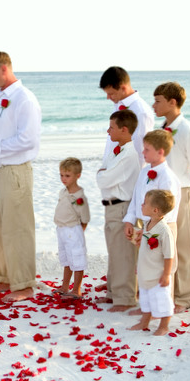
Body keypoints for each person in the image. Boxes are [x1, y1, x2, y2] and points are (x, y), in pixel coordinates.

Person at [0, 51, 42, 302]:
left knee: (18, 229)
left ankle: (24, 284)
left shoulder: (25, 99)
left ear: (4, 69)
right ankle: (4, 278)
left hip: (14, 172)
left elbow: (28, 139)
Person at [152, 81, 190, 313]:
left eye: (158, 101)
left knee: (184, 245)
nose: (154, 105)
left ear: (172, 103)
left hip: (182, 191)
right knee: (167, 244)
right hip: (163, 192)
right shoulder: (163, 128)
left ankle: (185, 296)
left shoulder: (186, 130)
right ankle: (170, 291)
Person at [96, 109, 142, 312]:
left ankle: (125, 299)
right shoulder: (117, 151)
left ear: (124, 130)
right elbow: (103, 176)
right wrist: (103, 174)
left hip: (121, 206)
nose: (108, 131)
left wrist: (103, 174)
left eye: (112, 127)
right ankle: (114, 293)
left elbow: (103, 179)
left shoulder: (129, 155)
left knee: (123, 254)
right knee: (114, 252)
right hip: (112, 207)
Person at [129, 189, 177, 336]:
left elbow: (169, 255)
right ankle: (145, 321)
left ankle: (164, 325)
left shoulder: (164, 231)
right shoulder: (146, 223)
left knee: (162, 299)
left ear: (155, 210)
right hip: (145, 270)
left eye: (144, 203)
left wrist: (167, 274)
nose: (141, 205)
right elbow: (145, 245)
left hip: (157, 273)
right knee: (145, 298)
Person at [99, 66, 154, 167]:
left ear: (123, 88)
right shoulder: (118, 104)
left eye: (111, 94)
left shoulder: (141, 112)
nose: (108, 98)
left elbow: (140, 150)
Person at [53, 157, 90, 299]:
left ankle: (77, 289)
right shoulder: (63, 192)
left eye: (67, 176)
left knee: (77, 259)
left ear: (77, 176)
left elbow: (85, 218)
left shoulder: (79, 197)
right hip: (61, 229)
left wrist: (78, 233)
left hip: (73, 230)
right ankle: (65, 286)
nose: (63, 178)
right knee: (67, 259)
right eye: (61, 175)